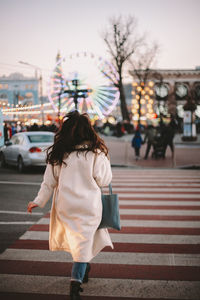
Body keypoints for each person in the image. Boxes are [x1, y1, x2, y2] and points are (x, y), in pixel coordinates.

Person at [27, 111, 113, 300]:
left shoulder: (60, 153)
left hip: (66, 205)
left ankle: (85, 265)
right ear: (89, 131)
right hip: (89, 206)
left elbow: (48, 182)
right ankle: (75, 283)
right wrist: (104, 160)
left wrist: (38, 201)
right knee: (83, 243)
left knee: (83, 240)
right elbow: (104, 180)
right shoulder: (95, 153)